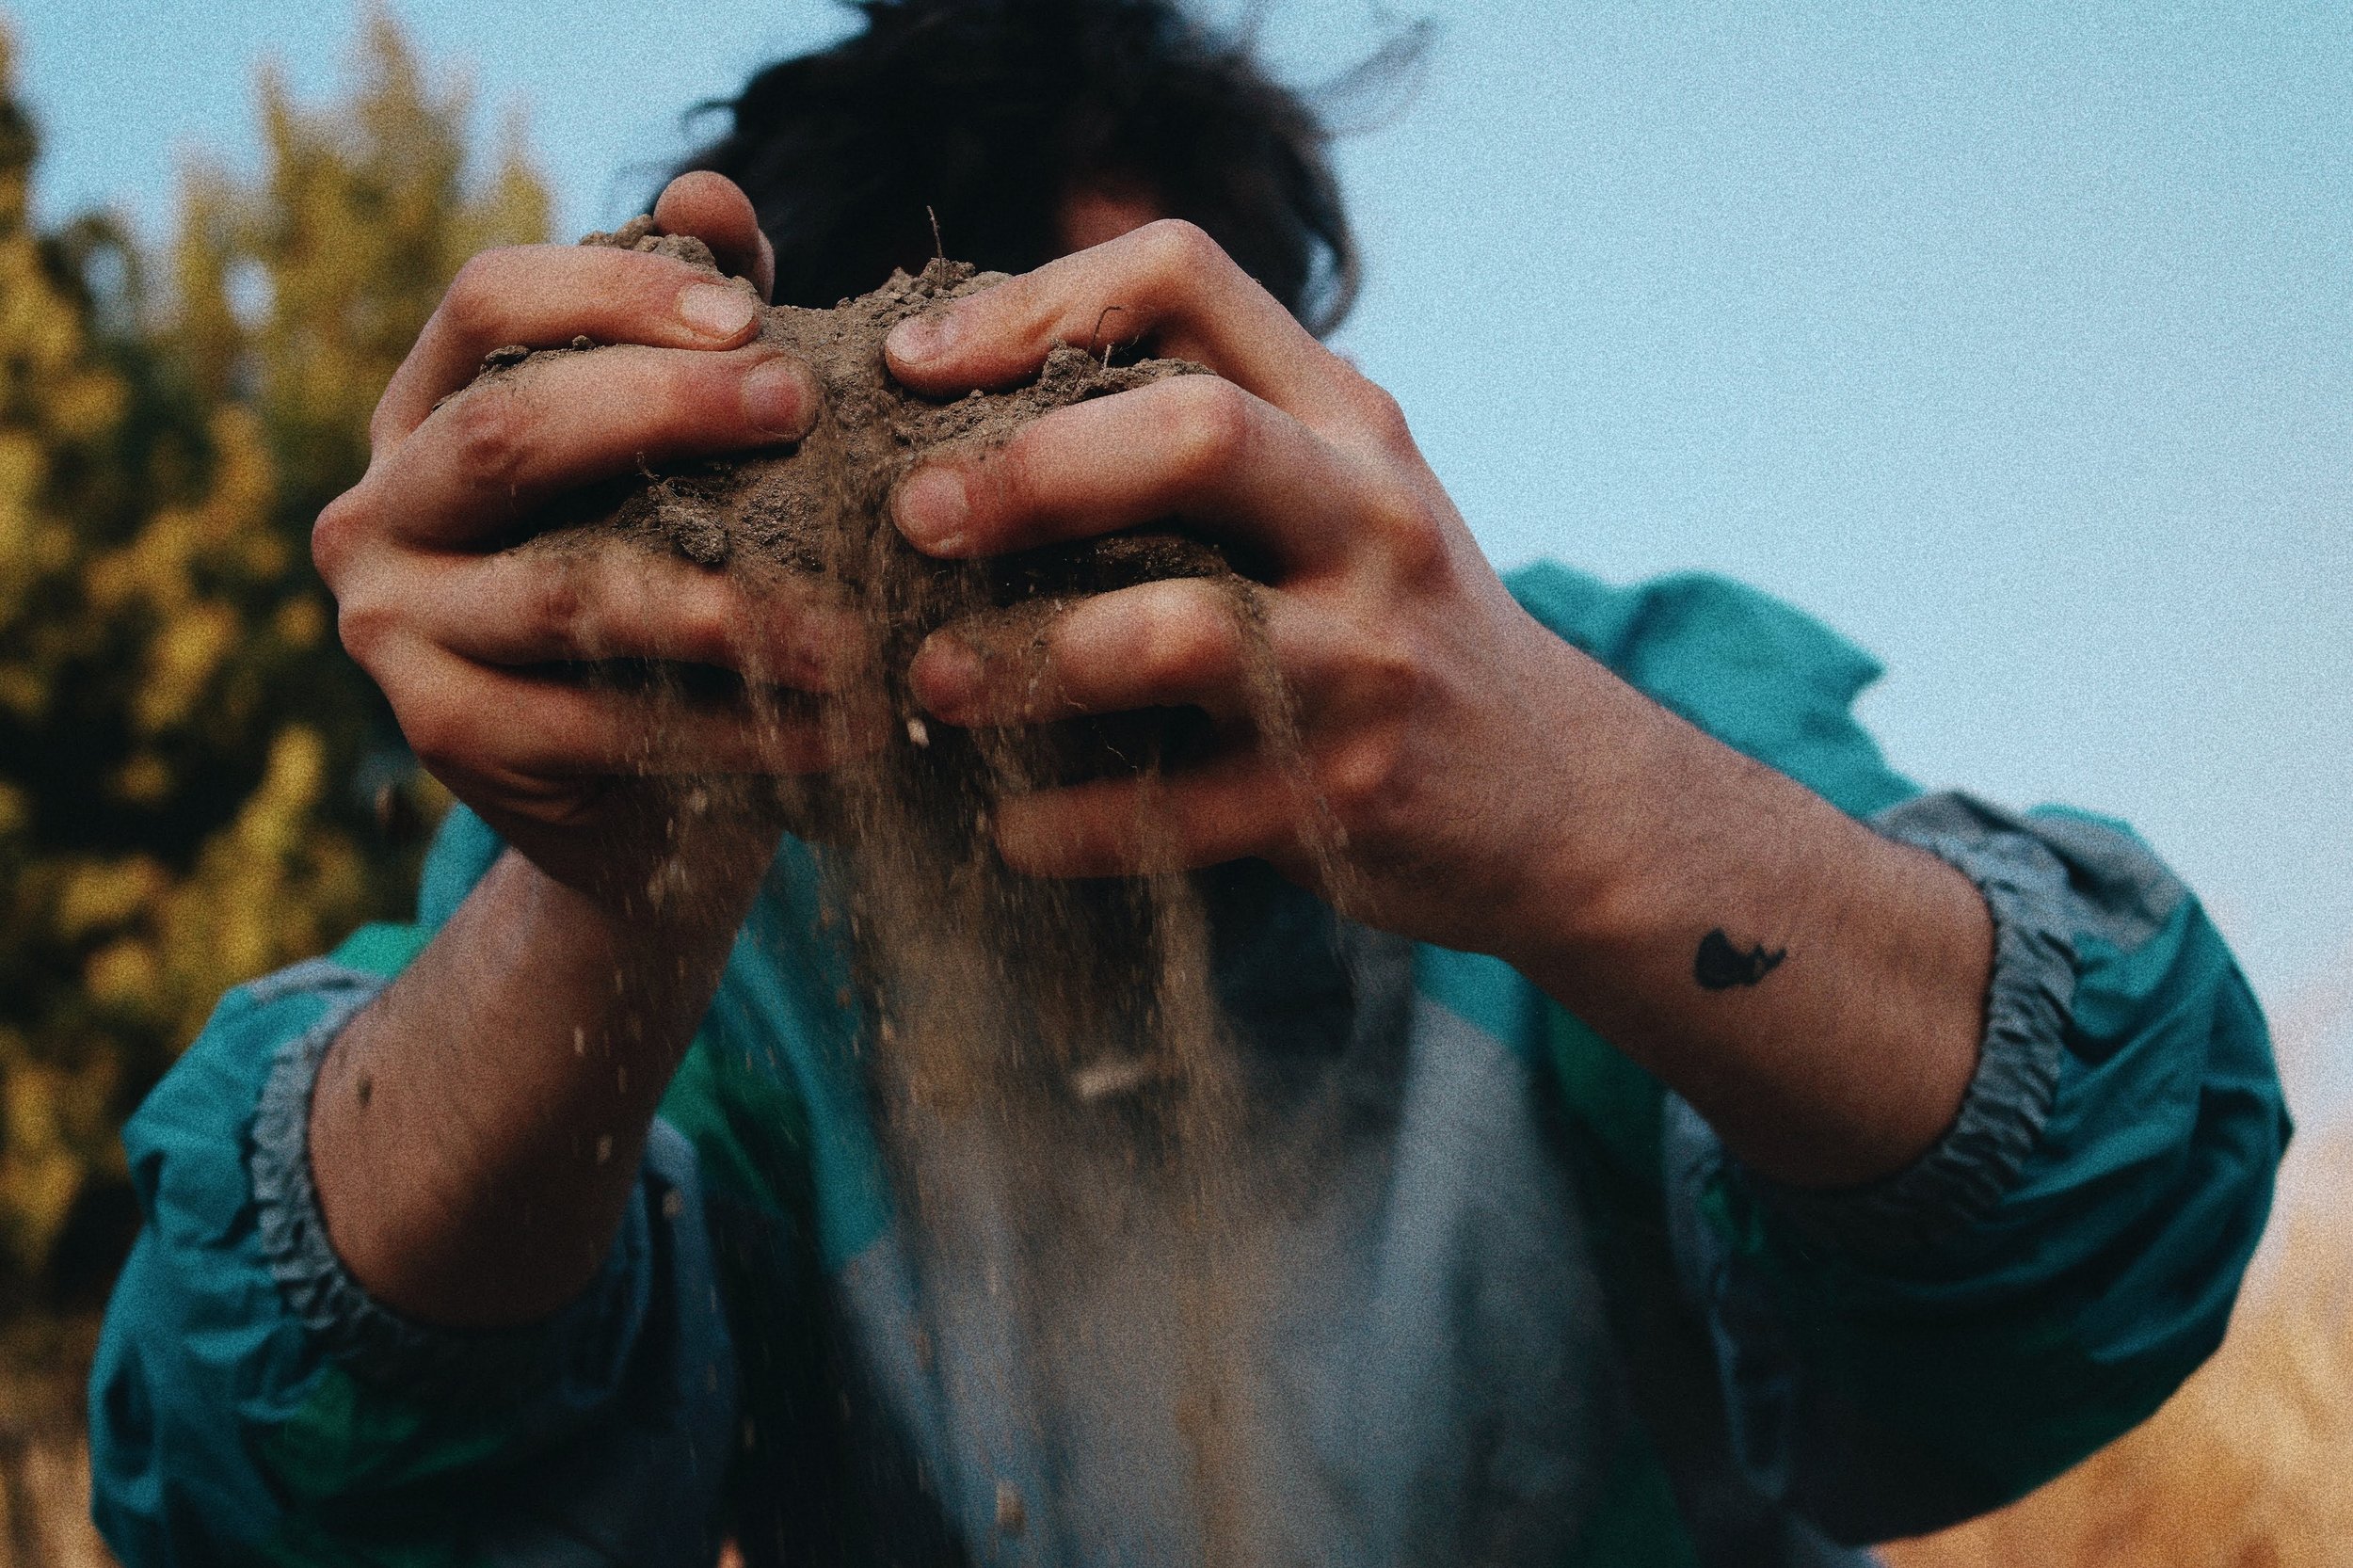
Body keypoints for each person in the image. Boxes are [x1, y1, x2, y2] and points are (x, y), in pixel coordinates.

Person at [88, 2, 2287, 1564]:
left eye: (1142, 399)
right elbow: (287, 1483)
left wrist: (1559, 798)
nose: (1062, 546)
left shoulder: (1581, 702)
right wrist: (612, 870)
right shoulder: (697, 905)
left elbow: (2100, 1208)